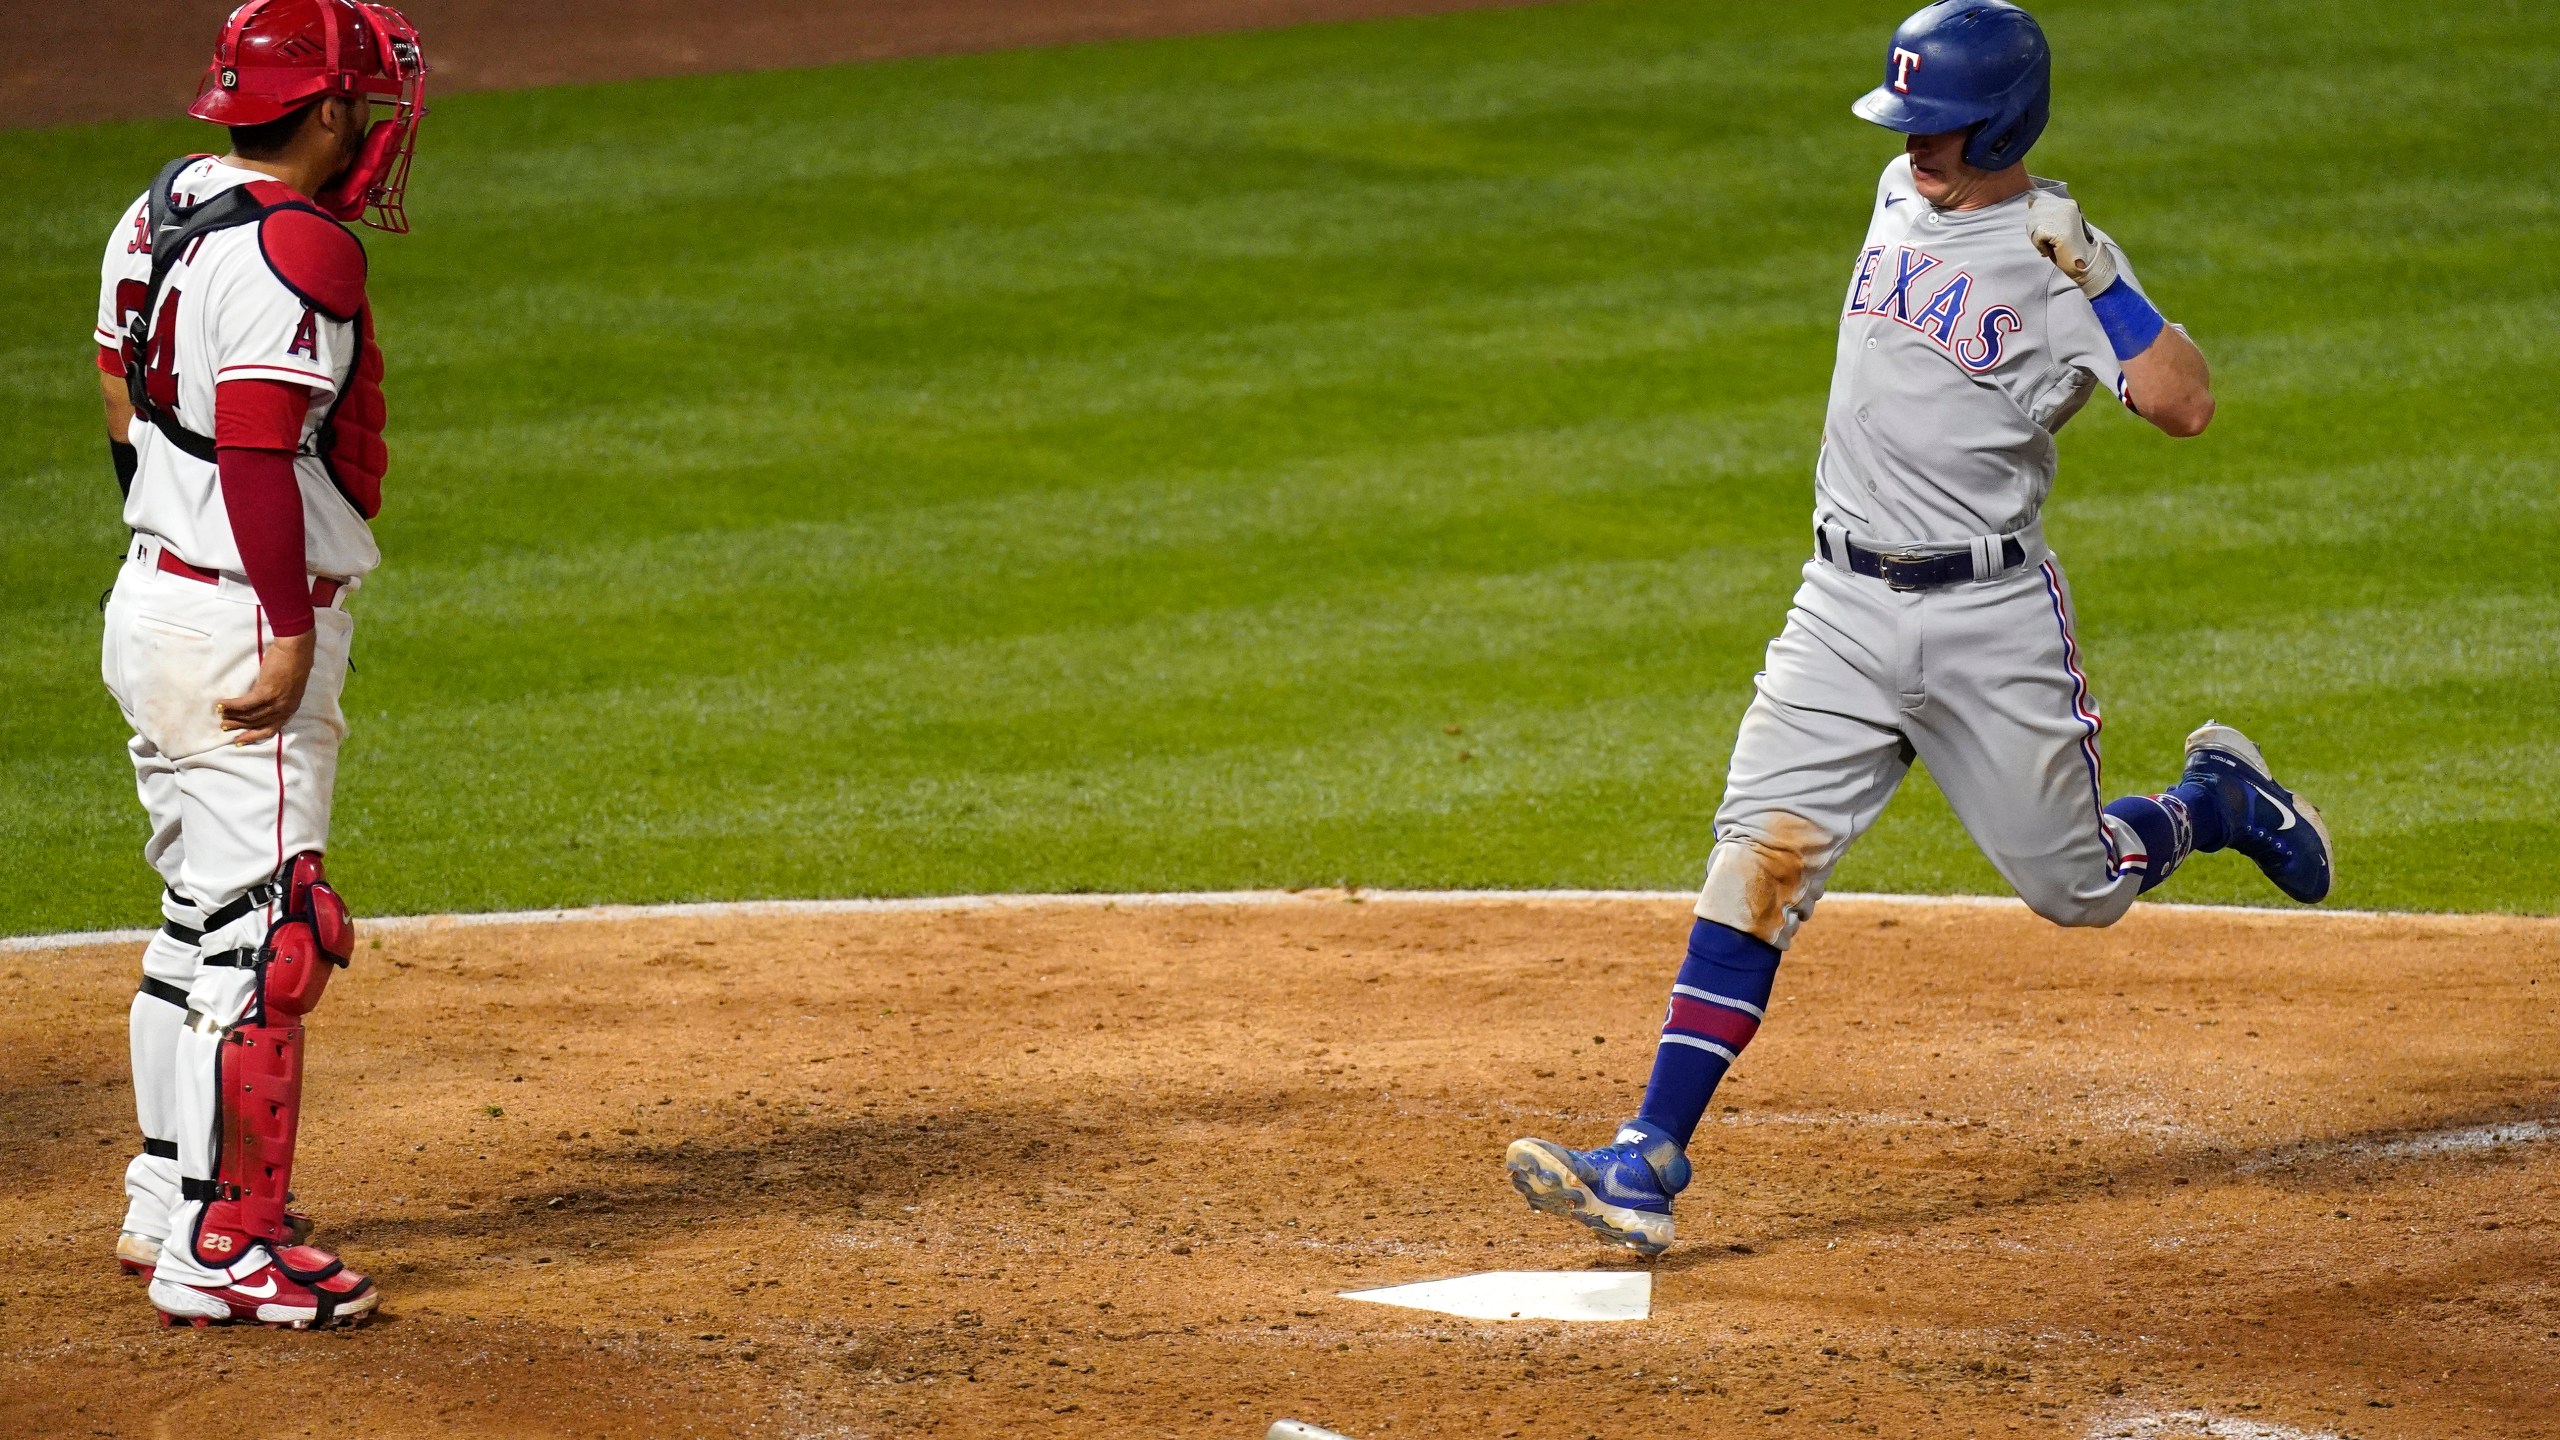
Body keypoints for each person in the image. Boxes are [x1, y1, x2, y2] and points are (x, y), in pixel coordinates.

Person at [1504, 0, 2330, 1256]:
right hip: (1836, 604)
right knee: (1757, 857)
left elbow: (2183, 403)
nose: (1914, 146)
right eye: (1907, 122)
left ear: (1997, 121)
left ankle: (2214, 800)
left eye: (1937, 125)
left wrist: (2099, 278)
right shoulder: (1897, 192)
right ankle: (1647, 1156)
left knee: (2076, 891)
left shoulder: (2059, 266)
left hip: (1985, 620)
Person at [95, 0, 427, 1328]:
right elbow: (253, 449)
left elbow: (118, 382)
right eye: (371, 103)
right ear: (333, 109)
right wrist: (284, 625)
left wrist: (159, 527)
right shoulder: (300, 251)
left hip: (153, 601)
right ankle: (225, 1246)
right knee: (274, 935)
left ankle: (166, 1194)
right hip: (239, 615)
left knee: (198, 921)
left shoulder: (161, 203)